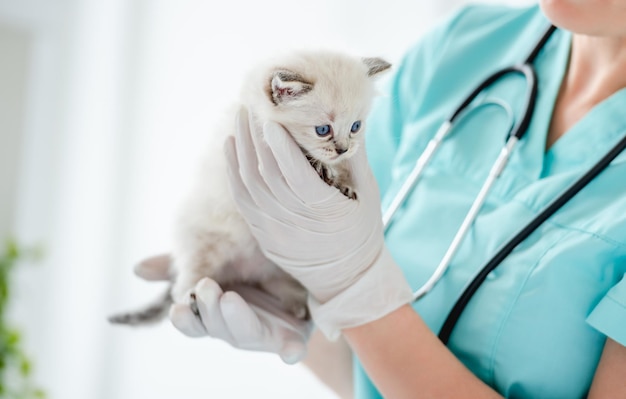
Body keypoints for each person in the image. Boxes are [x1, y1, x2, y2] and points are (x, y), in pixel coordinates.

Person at [136, 1, 626, 397]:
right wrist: (309, 327)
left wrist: (356, 292)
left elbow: (361, 286)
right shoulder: (464, 46)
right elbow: (368, 378)